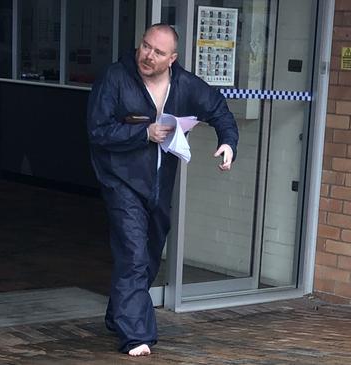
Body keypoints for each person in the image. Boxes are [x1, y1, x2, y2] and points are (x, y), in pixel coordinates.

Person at [86, 24, 239, 356]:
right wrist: (144, 133)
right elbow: (98, 131)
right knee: (133, 255)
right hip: (121, 183)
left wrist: (227, 142)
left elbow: (219, 111)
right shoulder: (115, 78)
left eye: (157, 52)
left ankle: (118, 314)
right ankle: (136, 335)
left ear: (173, 58)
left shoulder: (185, 85)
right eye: (145, 46)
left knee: (150, 255)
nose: (147, 55)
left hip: (158, 186)